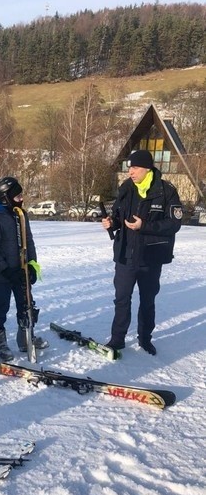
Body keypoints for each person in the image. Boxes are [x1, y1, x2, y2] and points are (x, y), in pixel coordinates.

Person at [102, 149, 183, 355]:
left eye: (135, 167)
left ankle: (145, 339)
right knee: (122, 298)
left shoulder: (166, 191)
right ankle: (117, 339)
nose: (131, 171)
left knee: (147, 300)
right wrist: (112, 223)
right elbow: (120, 217)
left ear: (147, 168)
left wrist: (144, 226)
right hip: (125, 255)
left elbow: (174, 223)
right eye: (129, 167)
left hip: (151, 257)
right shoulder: (126, 188)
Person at [0, 176, 48, 361]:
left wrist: (32, 265)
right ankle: (0, 341)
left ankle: (26, 338)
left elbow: (29, 241)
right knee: (1, 307)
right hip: (3, 274)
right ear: (5, 197)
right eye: (17, 196)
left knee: (26, 304)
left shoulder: (21, 214)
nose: (21, 199)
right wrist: (5, 269)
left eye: (21, 195)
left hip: (22, 271)